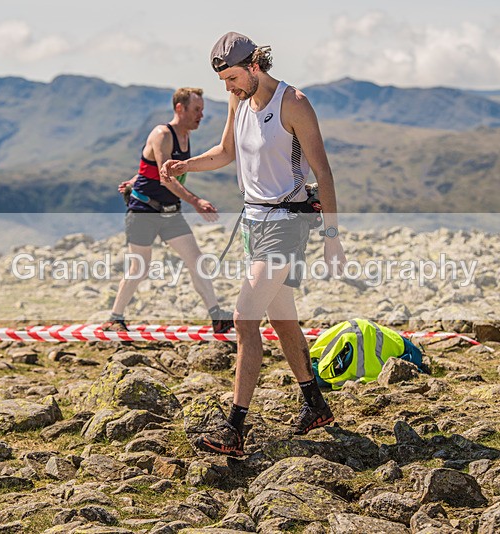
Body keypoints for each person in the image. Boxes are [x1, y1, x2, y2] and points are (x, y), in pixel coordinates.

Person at [161, 32, 347, 455]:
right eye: (224, 81)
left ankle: (234, 428)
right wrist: (186, 164)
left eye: (231, 78)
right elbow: (227, 152)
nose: (227, 87)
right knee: (282, 317)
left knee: (245, 319)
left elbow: (325, 170)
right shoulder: (239, 102)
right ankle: (314, 404)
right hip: (254, 222)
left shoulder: (293, 103)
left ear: (255, 66)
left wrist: (332, 237)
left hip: (288, 223)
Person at [102, 87, 233, 334]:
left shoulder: (185, 135)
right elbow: (165, 177)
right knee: (139, 268)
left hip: (170, 211)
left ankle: (217, 316)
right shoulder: (163, 134)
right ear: (179, 108)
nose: (201, 116)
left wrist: (133, 180)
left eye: (202, 110)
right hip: (144, 211)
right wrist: (196, 202)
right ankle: (114, 317)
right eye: (197, 110)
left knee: (196, 261)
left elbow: (149, 166)